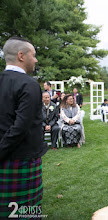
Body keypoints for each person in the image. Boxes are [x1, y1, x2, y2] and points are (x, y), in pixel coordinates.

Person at [0, 37, 48, 218]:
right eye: (33, 55)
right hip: (21, 160)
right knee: (26, 213)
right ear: (21, 56)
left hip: (6, 159)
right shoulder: (29, 84)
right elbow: (20, 128)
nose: (35, 60)